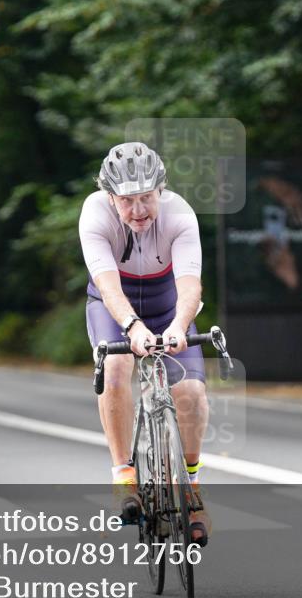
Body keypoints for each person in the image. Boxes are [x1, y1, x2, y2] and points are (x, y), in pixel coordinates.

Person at [79, 142, 212, 546]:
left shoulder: (180, 214)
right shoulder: (94, 214)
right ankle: (124, 476)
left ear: (161, 191)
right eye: (127, 201)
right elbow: (106, 285)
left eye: (146, 198)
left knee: (190, 392)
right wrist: (132, 327)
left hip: (167, 307)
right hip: (113, 308)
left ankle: (189, 485)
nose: (138, 211)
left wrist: (178, 326)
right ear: (110, 198)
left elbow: (189, 287)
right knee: (116, 370)